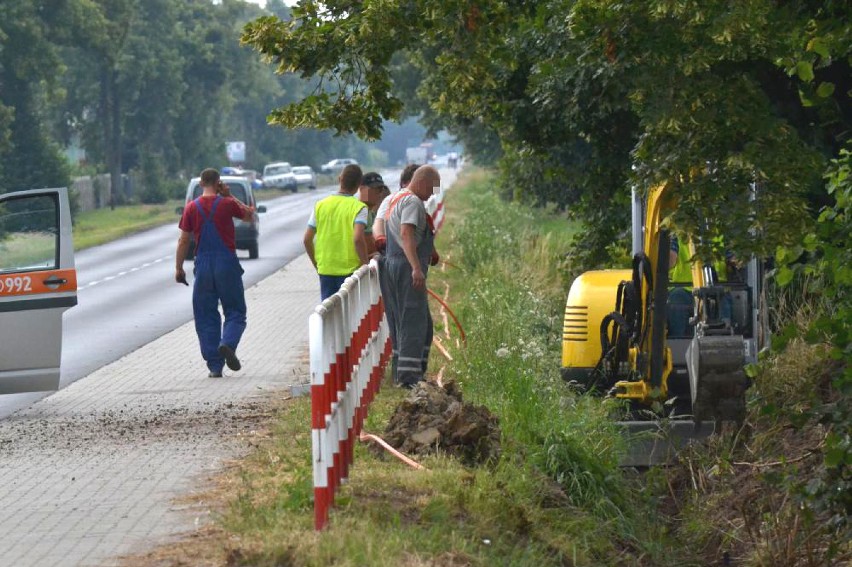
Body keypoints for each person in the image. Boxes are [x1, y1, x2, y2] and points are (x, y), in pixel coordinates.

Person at [176, 168, 256, 378]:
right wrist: (229, 195)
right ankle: (228, 343)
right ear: (218, 183)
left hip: (203, 265)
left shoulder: (191, 208)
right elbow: (249, 216)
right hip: (227, 263)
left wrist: (178, 268)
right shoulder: (227, 203)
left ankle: (215, 365)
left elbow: (184, 240)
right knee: (236, 311)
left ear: (201, 184)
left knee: (205, 315)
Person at [383, 165, 442, 388]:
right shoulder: (413, 202)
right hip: (407, 268)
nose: (431, 195)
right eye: (432, 189)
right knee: (413, 323)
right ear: (423, 182)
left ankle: (409, 371)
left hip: (393, 264)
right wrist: (416, 267)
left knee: (416, 322)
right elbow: (407, 233)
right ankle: (409, 379)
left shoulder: (397, 197)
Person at [303, 164, 369, 300]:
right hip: (350, 270)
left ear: (340, 179)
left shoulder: (320, 205)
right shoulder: (359, 208)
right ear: (358, 185)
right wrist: (365, 265)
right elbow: (357, 239)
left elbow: (307, 239)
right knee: (350, 316)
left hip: (325, 269)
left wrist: (318, 265)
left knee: (329, 314)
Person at [358, 171, 391, 255]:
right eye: (375, 189)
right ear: (362, 189)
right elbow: (370, 247)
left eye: (380, 190)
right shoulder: (361, 211)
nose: (379, 194)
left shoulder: (372, 215)